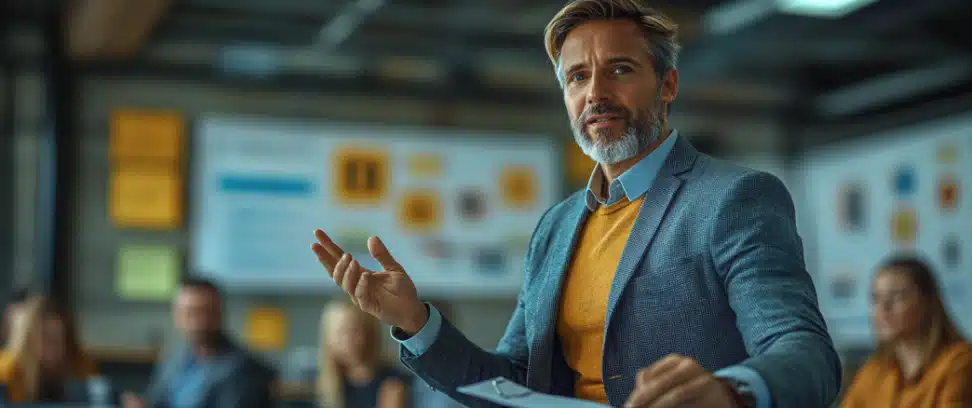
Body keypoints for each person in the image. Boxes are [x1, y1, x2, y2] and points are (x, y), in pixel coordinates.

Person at [310, 0, 840, 407]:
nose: (596, 93)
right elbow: (511, 384)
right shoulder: (555, 227)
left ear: (668, 84)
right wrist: (415, 321)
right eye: (577, 77)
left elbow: (805, 352)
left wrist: (733, 392)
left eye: (621, 70)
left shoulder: (734, 198)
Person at [840, 256, 972, 408]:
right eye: (875, 298)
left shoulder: (962, 363)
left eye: (896, 296)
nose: (883, 308)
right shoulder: (874, 370)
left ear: (927, 302)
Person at [121, 278, 276, 408]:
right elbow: (158, 401)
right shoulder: (175, 359)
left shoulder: (245, 369)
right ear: (177, 316)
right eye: (190, 313)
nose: (199, 322)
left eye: (207, 312)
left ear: (220, 314)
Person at [0, 295, 98, 402]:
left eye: (63, 339)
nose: (57, 349)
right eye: (48, 339)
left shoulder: (80, 366)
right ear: (29, 340)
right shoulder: (7, 371)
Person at [317, 300, 409, 408]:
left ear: (370, 333)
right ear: (328, 338)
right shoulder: (326, 384)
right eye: (340, 332)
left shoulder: (392, 383)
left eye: (354, 331)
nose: (348, 340)